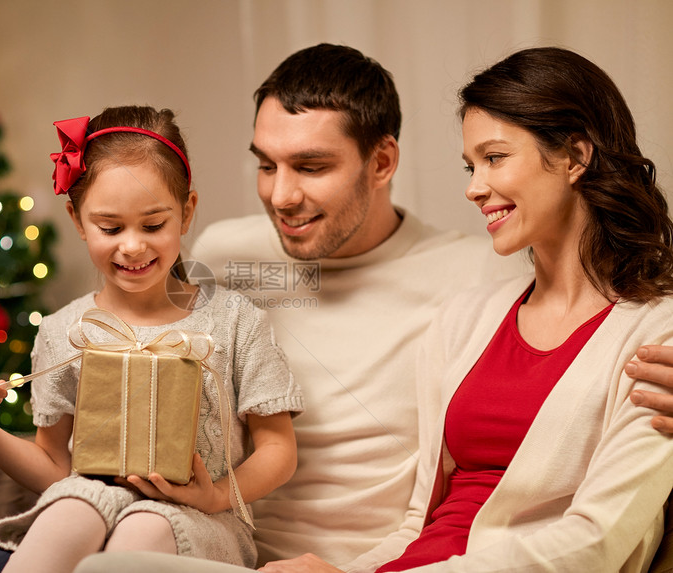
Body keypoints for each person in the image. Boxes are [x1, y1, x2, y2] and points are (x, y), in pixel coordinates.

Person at [0, 44, 673, 573]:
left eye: (313, 167)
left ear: (384, 160)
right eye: (266, 164)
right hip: (161, 518)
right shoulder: (229, 254)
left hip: (276, 550)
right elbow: (130, 278)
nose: (283, 197)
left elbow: (611, 306)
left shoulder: (468, 277)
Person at [260, 45, 673, 573]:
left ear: (575, 157)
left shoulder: (653, 333)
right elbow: (418, 525)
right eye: (470, 165)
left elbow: (596, 542)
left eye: (494, 158)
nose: (474, 188)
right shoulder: (465, 318)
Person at [0, 106, 304, 573]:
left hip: (200, 518)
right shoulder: (64, 330)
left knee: (140, 530)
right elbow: (55, 466)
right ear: (78, 221)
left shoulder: (235, 321)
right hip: (91, 502)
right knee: (69, 507)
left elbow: (278, 449)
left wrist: (218, 493)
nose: (133, 246)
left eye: (154, 225)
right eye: (110, 228)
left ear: (187, 212)